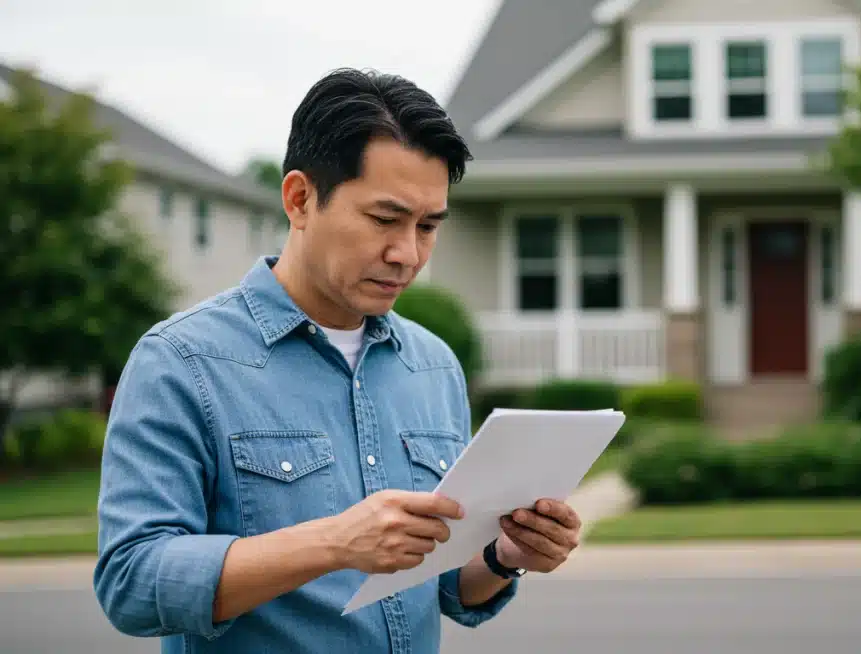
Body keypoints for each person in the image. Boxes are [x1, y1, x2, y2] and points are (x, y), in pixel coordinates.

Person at [93, 68, 583, 653]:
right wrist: (334, 543)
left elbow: (449, 587)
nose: (407, 254)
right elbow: (131, 583)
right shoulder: (181, 361)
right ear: (299, 199)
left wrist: (506, 557)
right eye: (384, 219)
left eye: (428, 227)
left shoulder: (433, 366)